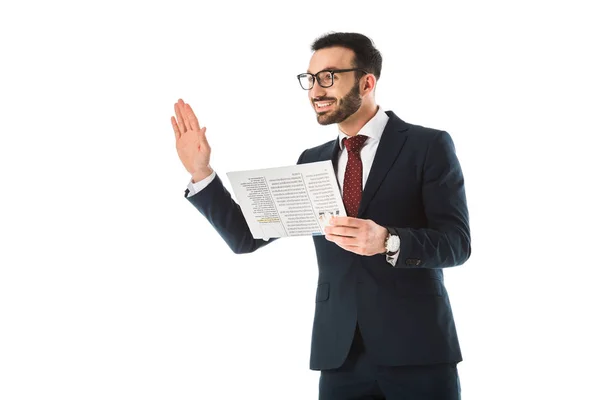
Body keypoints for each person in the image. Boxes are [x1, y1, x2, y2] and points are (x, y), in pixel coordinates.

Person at [171, 32, 470, 400]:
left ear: (367, 81)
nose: (316, 90)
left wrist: (388, 240)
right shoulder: (311, 160)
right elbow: (245, 237)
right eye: (310, 79)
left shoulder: (428, 146)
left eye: (329, 77)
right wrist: (202, 172)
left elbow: (457, 244)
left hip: (418, 350)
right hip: (340, 357)